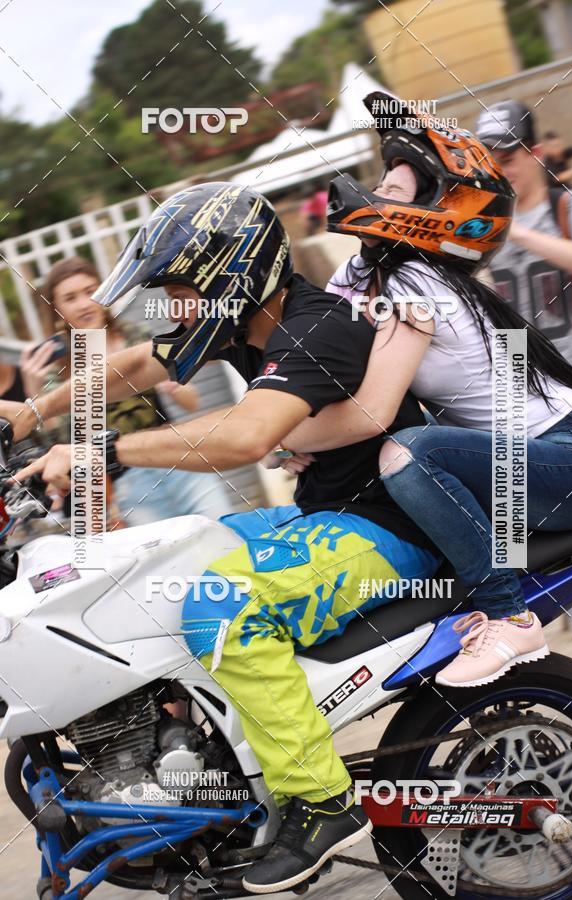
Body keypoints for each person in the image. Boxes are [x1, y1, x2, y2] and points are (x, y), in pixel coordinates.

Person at [3, 183, 442, 893]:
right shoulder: (247, 324)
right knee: (158, 562)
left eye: (180, 289)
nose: (173, 306)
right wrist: (37, 408)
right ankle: (197, 758)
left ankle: (322, 801)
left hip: (388, 527)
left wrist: (107, 451)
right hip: (319, 513)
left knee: (219, 605)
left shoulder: (314, 328)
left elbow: (246, 435)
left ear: (230, 276)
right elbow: (141, 361)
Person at [277, 91, 572, 688]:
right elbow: (328, 363)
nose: (375, 192)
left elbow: (372, 412)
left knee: (409, 453)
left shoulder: (420, 282)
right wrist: (302, 437)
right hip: (517, 467)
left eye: (394, 190)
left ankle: (508, 616)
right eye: (383, 180)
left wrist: (271, 433)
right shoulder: (363, 274)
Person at [476, 101, 572, 665]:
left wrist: (516, 233)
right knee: (562, 554)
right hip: (535, 415)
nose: (502, 167)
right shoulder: (479, 231)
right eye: (491, 158)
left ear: (535, 152)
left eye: (509, 154)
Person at [30, 256, 234, 525]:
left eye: (91, 291)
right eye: (70, 298)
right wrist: (35, 392)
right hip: (130, 484)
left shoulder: (135, 338)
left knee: (223, 535)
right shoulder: (59, 370)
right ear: (56, 310)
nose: (84, 304)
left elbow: (192, 403)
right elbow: (57, 442)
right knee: (171, 564)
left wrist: (172, 386)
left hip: (178, 458)